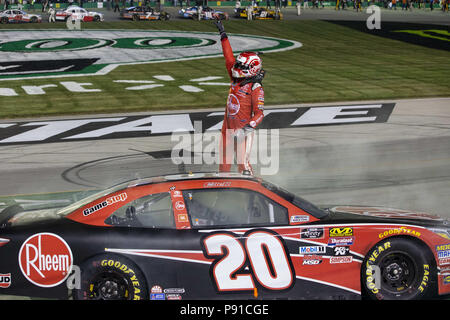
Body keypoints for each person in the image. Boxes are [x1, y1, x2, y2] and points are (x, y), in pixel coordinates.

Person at [213, 18, 265, 175]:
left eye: (241, 65)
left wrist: (246, 129)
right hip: (227, 129)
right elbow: (228, 57)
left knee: (243, 167)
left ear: (252, 68)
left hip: (243, 132)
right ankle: (224, 191)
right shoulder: (234, 78)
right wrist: (223, 35)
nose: (236, 67)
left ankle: (255, 191)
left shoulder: (256, 88)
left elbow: (259, 114)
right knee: (224, 167)